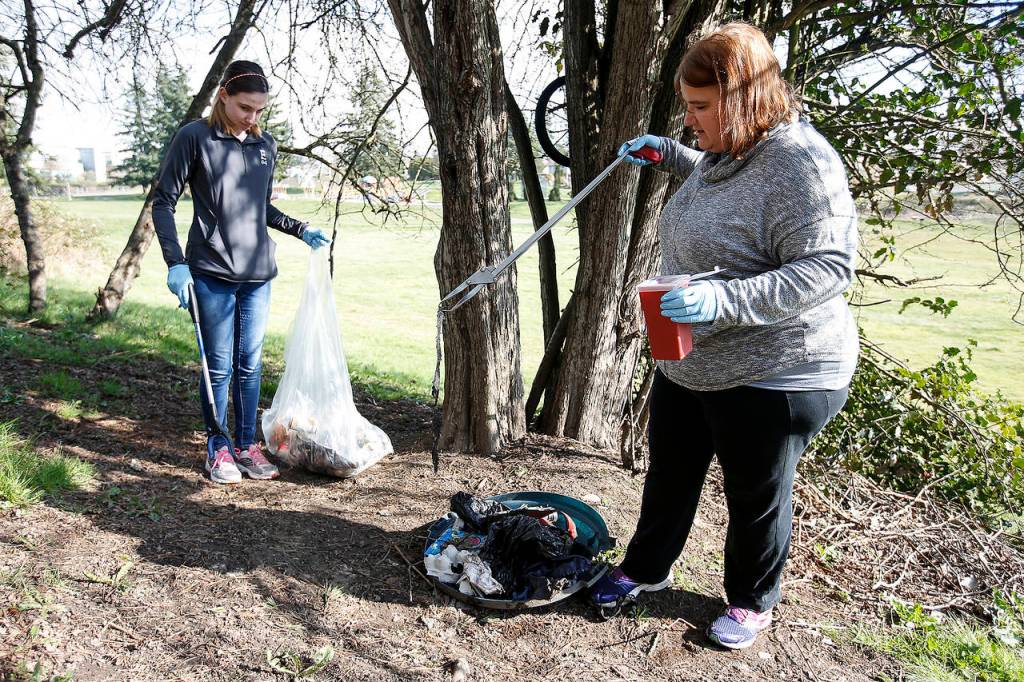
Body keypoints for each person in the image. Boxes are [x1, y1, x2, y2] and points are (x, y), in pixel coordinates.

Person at [590, 23, 858, 650]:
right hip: (696, 356)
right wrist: (672, 156)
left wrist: (722, 298)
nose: (691, 120)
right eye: (686, 107)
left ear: (745, 98)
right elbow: (728, 189)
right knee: (671, 471)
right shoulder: (732, 150)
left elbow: (829, 266)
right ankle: (646, 570)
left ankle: (750, 602)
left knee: (755, 494)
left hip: (779, 369)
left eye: (701, 107)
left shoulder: (803, 165)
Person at [153, 60, 331, 485]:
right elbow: (163, 201)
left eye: (259, 110)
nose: (252, 117)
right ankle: (217, 445)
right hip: (210, 271)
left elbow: (259, 207)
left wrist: (300, 229)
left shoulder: (264, 145)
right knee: (219, 367)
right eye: (245, 108)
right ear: (224, 97)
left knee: (249, 366)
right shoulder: (195, 137)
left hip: (257, 275)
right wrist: (175, 263)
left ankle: (247, 444)